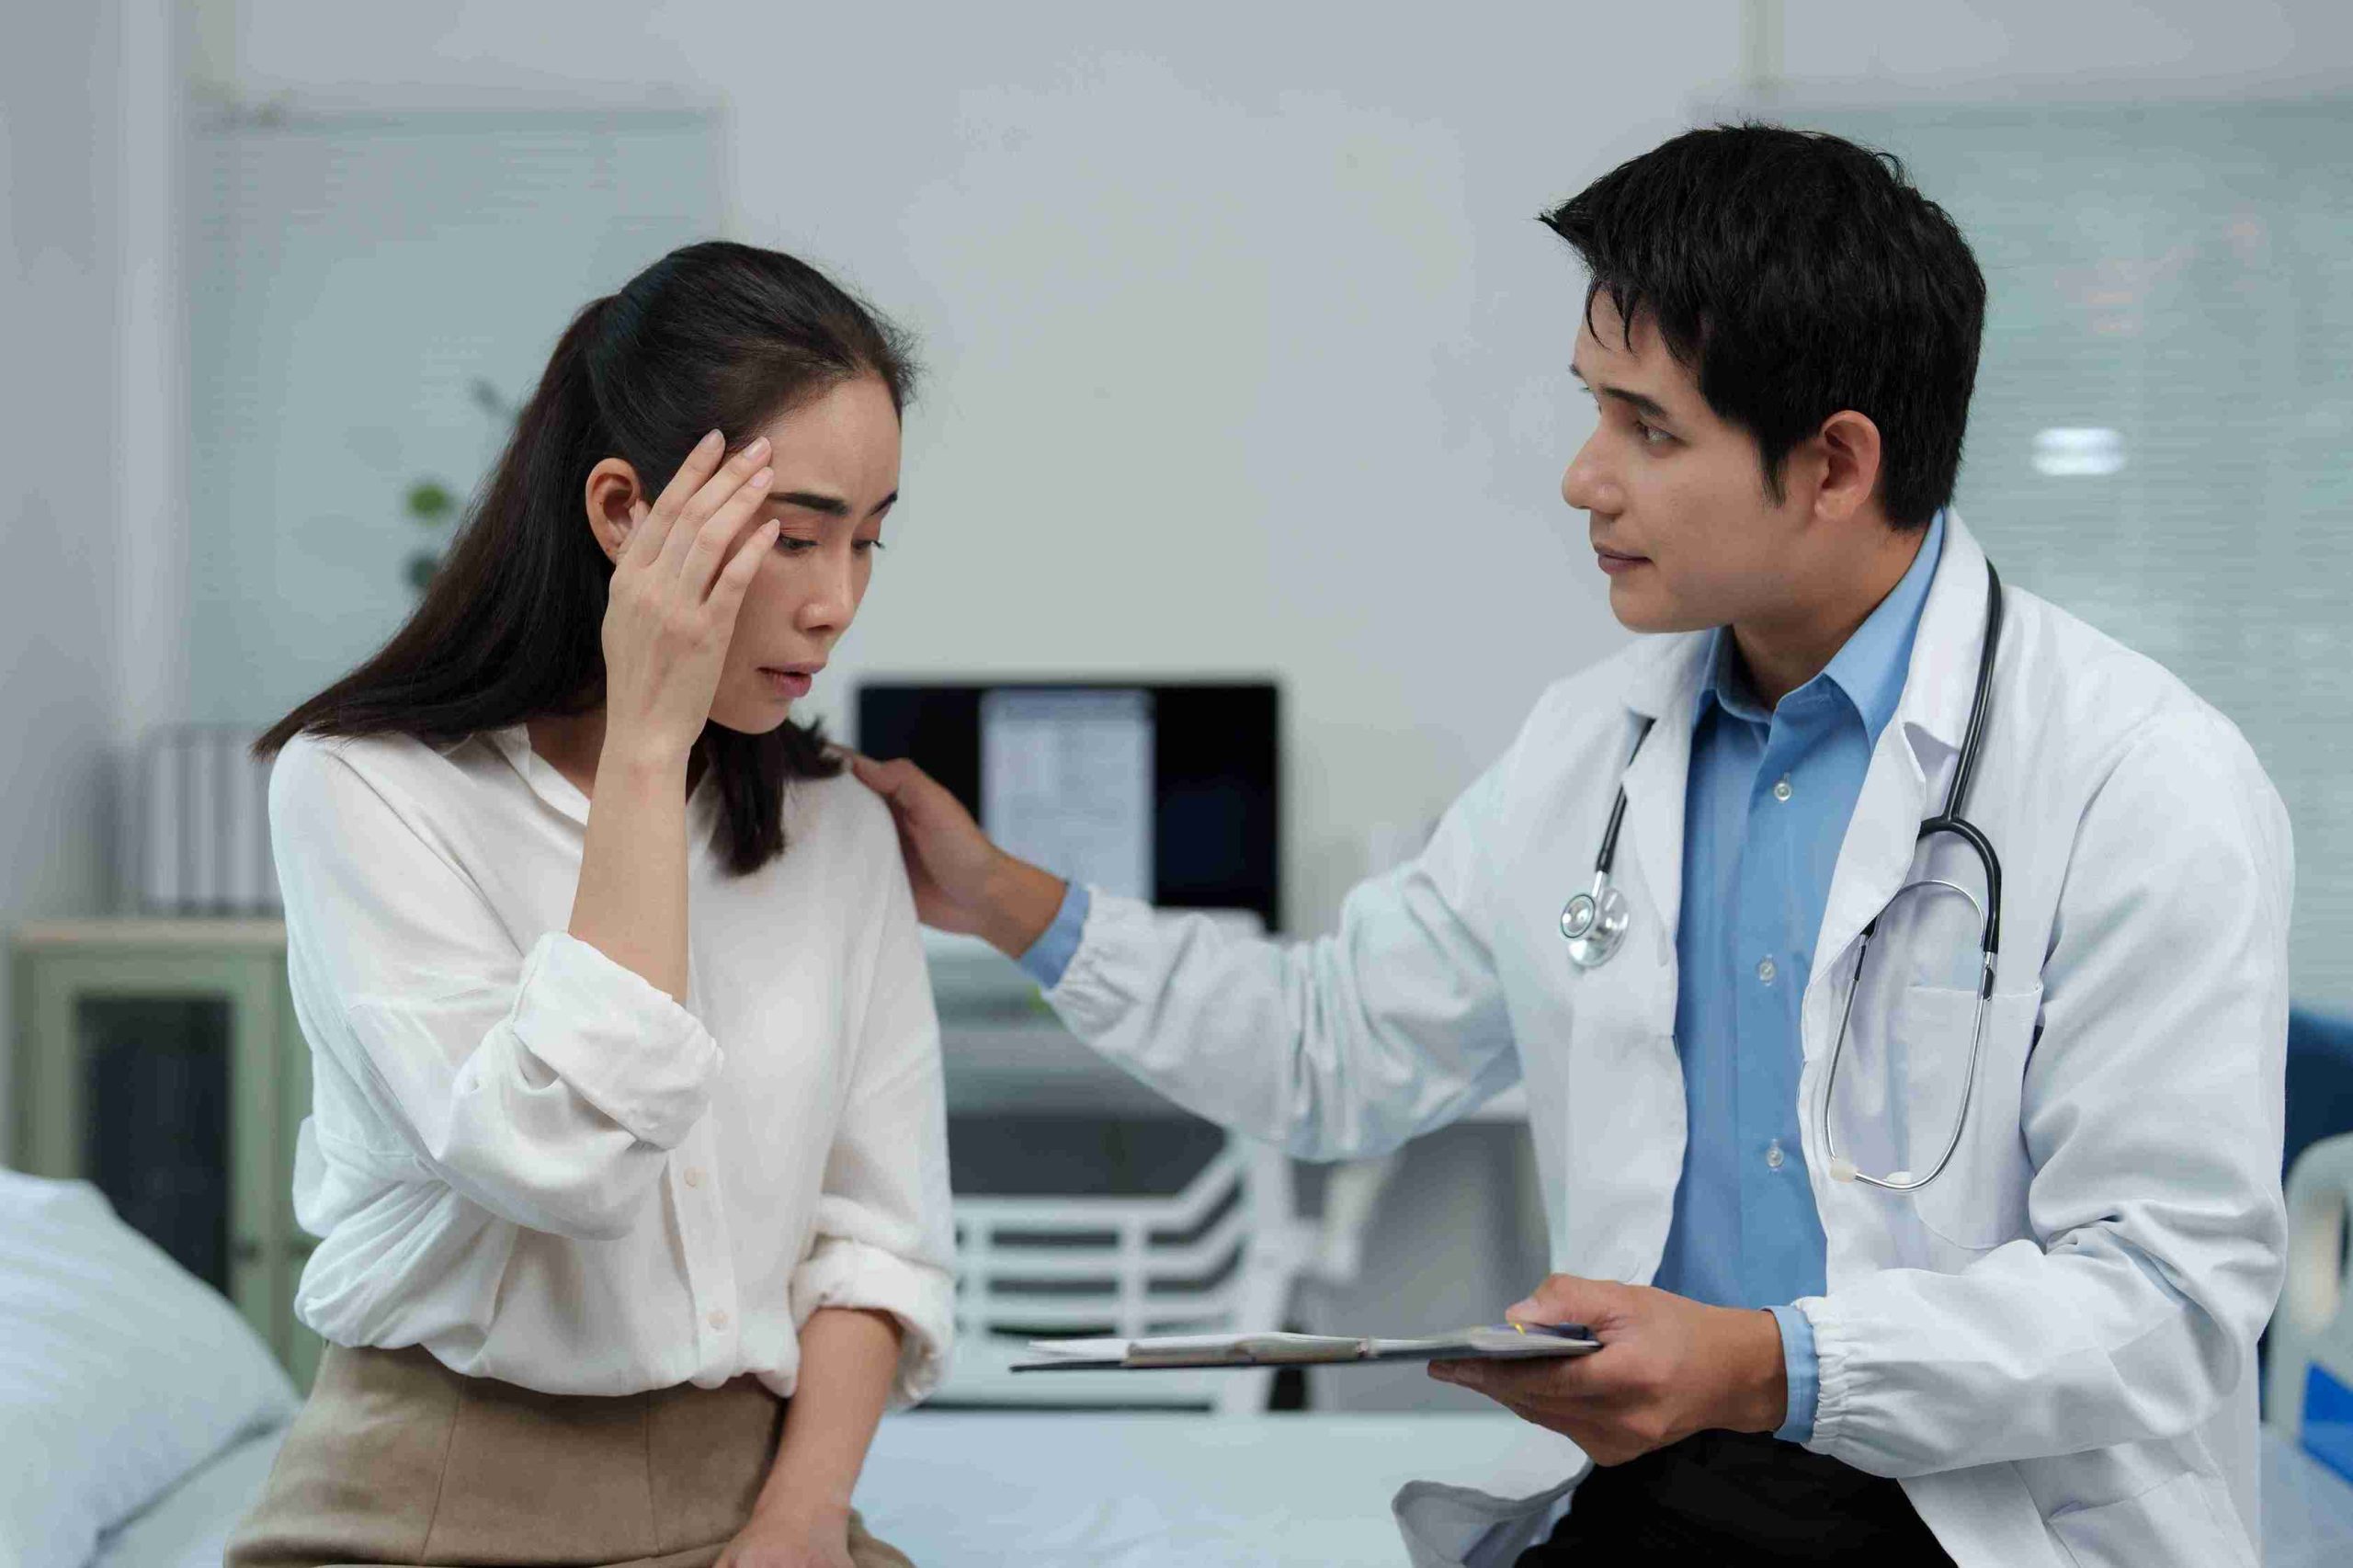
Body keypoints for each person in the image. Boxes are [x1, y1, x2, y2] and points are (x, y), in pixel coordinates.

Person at [852, 127, 2292, 1565]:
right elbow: (1330, 1047)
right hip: (1670, 1498)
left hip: (1986, 1516)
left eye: (1648, 428)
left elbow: (2167, 1295)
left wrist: (1768, 1361)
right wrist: (1005, 900)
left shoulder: (2138, 780)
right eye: (1593, 409)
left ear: (1836, 464)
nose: (1584, 477)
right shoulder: (1588, 747)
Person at [228, 242, 949, 1568]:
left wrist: (796, 1524)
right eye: (792, 537)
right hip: (432, 1494)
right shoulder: (364, 795)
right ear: (625, 513)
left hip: (763, 1501)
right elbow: (564, 1155)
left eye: (868, 539)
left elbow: (877, 1241)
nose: (838, 600)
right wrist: (644, 748)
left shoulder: (836, 826)